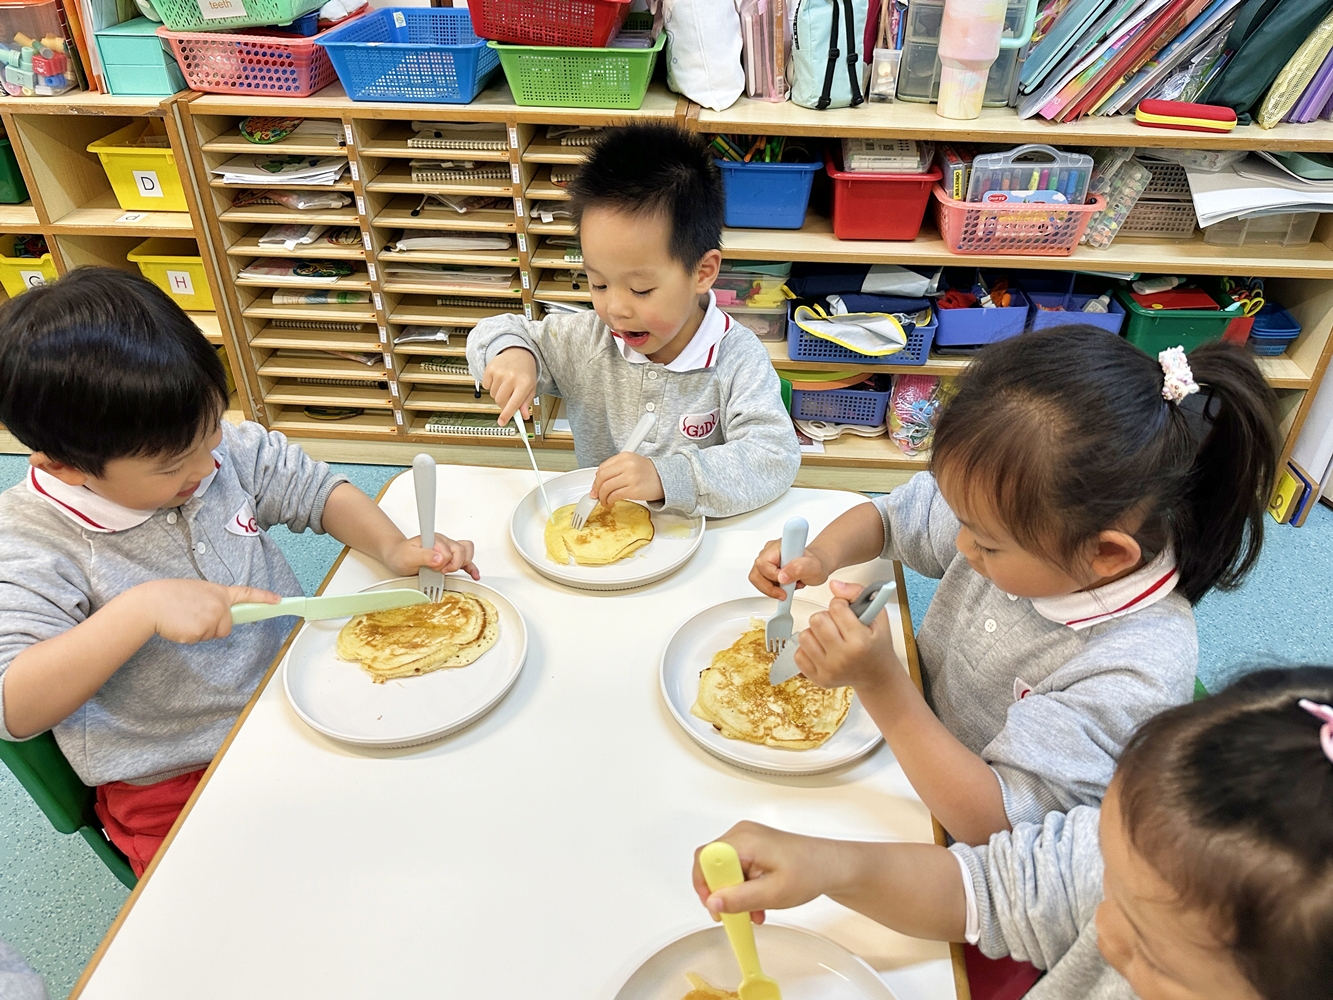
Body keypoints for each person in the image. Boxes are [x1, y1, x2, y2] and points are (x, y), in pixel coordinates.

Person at [0, 268, 478, 875]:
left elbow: (313, 490)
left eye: (211, 434)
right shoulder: (30, 540)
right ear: (66, 468)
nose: (208, 466)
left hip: (299, 698)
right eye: (174, 464)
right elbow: (13, 707)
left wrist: (391, 547)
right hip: (175, 778)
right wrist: (138, 612)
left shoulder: (212, 449)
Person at [750, 328, 1279, 844]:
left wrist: (883, 684)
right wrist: (821, 555)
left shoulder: (1130, 674)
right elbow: (892, 518)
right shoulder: (1024, 517)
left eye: (986, 543)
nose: (962, 545)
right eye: (961, 519)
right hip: (910, 740)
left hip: (960, 833)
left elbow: (1002, 828)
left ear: (1106, 554)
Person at [692, 666, 1333, 1000]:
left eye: (1151, 953)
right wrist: (828, 865)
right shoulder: (1156, 866)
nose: (1101, 927)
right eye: (1108, 880)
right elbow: (991, 888)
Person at [468, 123, 800, 520]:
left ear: (703, 272)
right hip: (601, 530)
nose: (616, 309)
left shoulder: (736, 357)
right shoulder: (589, 340)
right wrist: (511, 354)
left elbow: (774, 457)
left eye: (641, 289)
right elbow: (497, 330)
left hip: (699, 534)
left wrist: (666, 477)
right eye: (599, 283)